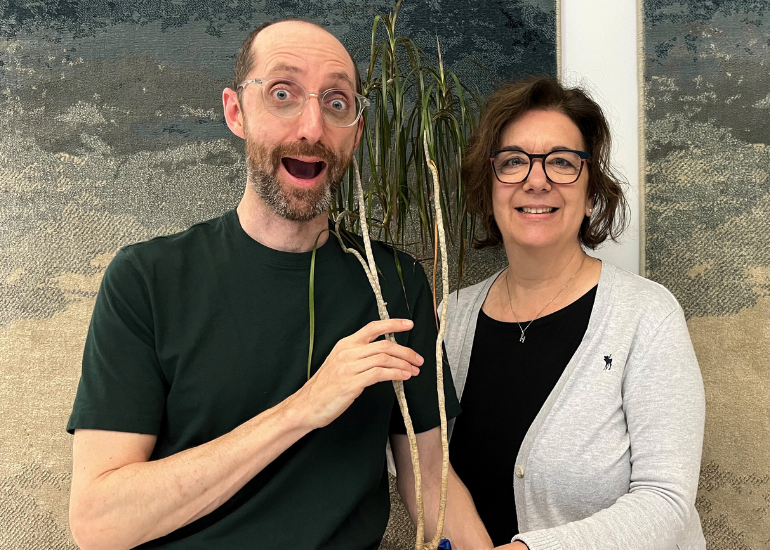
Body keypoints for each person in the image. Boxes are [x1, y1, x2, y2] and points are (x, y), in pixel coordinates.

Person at [66, 19, 491, 550]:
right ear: (235, 111)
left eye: (336, 102)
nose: (311, 126)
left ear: (355, 133)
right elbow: (100, 525)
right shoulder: (147, 278)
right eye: (283, 93)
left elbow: (431, 480)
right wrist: (301, 409)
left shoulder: (395, 285)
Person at [444, 76, 707, 550]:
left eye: (562, 162)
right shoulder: (451, 319)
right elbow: (425, 469)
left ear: (590, 195)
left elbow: (667, 502)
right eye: (513, 162)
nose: (536, 179)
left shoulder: (647, 316)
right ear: (489, 190)